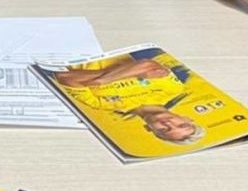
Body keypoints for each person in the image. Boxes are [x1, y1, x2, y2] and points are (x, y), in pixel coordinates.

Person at [52, 55, 204, 144]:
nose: (168, 123)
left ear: (149, 129)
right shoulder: (172, 90)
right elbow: (147, 64)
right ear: (186, 118)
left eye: (164, 130)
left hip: (70, 54)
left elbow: (64, 77)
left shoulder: (101, 105)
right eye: (181, 124)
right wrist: (102, 80)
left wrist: (125, 73)